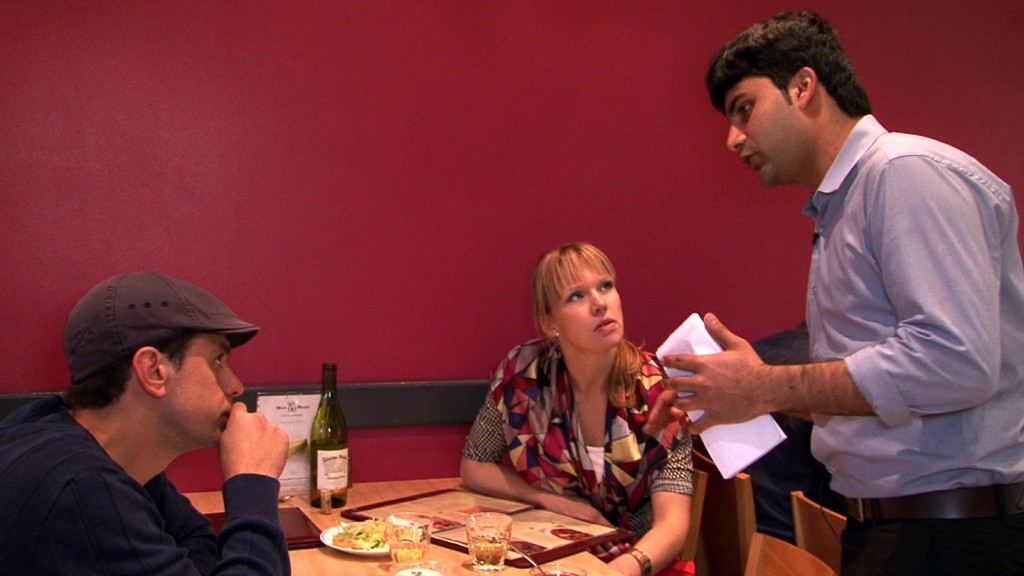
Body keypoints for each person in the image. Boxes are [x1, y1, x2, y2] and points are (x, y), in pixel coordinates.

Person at [650, 10, 1024, 575]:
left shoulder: (904, 172)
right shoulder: (842, 205)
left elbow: (955, 362)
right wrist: (752, 393)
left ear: (803, 86)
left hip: (955, 537)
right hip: (893, 530)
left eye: (744, 109)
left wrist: (766, 384)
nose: (732, 139)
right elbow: (877, 389)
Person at [0, 272, 291, 575]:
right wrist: (252, 482)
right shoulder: (79, 486)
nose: (235, 386)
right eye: (217, 360)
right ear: (153, 371)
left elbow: (196, 540)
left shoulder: (101, 452)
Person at [461, 242, 694, 576]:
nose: (600, 304)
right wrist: (547, 499)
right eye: (576, 296)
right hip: (555, 557)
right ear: (550, 323)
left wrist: (613, 573)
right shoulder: (525, 375)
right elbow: (474, 464)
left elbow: (672, 526)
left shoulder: (659, 390)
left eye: (606, 286)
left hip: (635, 563)